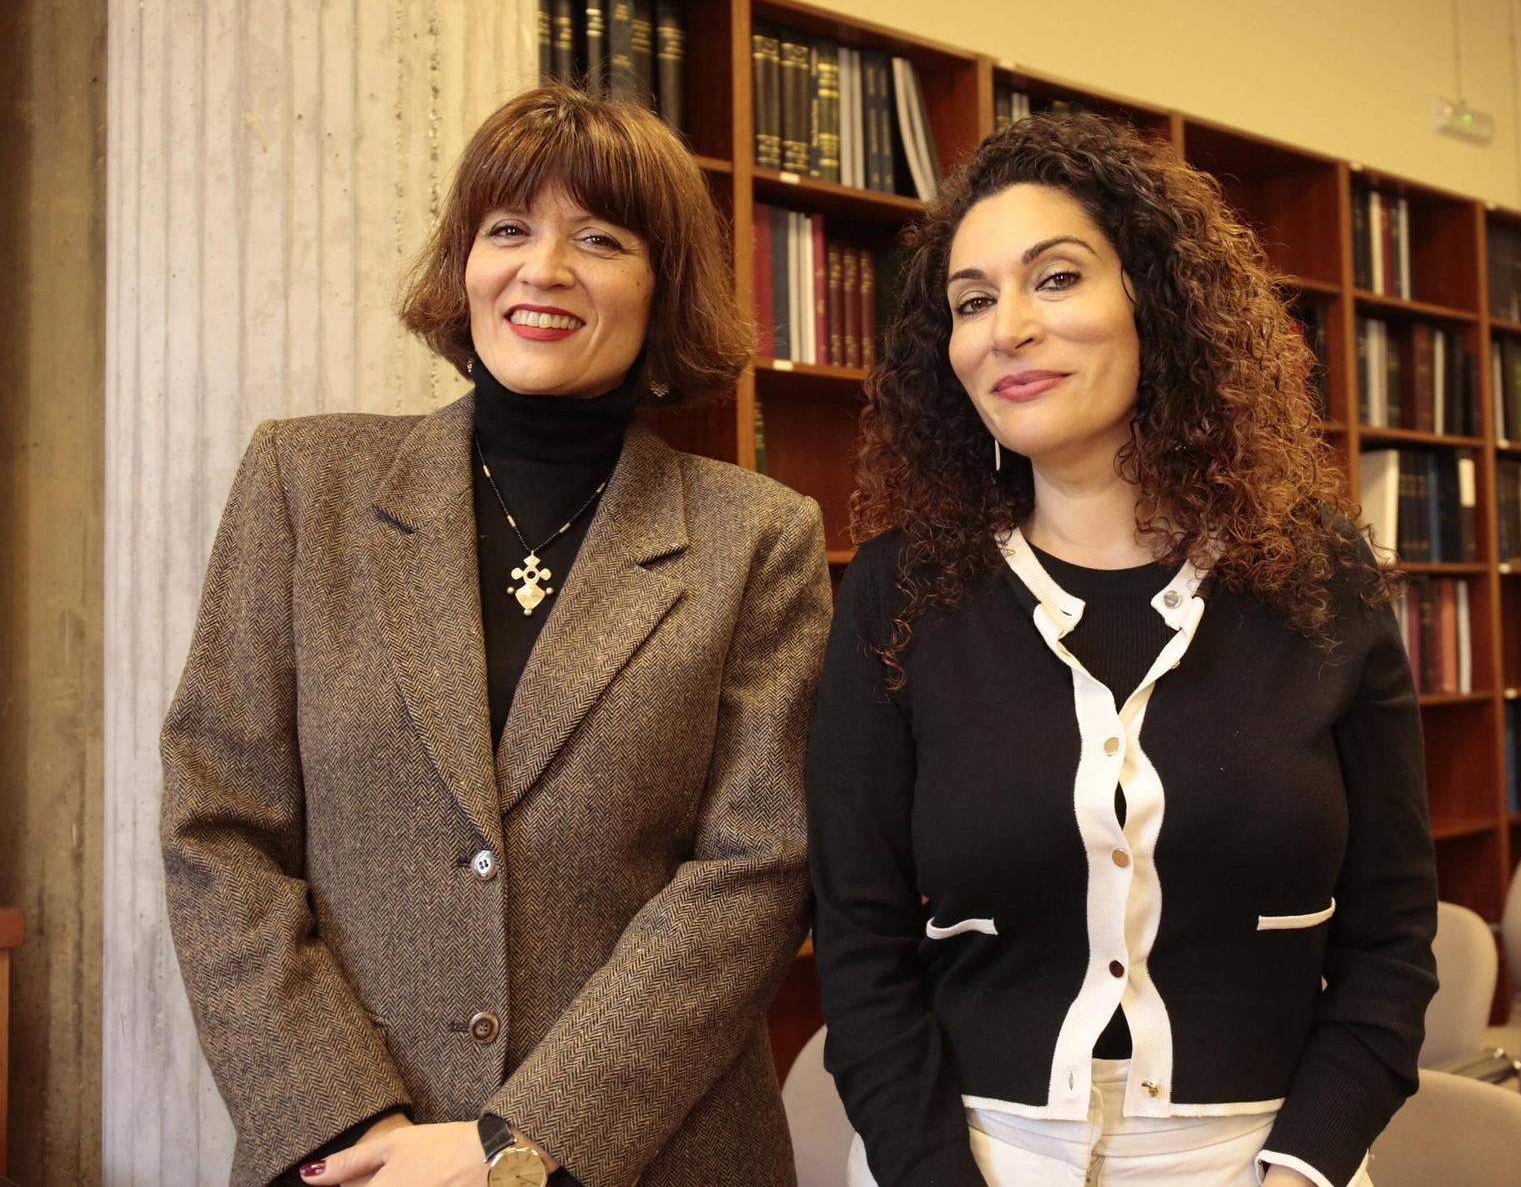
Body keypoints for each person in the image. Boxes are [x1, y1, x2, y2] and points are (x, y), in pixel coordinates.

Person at [159, 85, 830, 1187]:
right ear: (463, 261)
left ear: (662, 285)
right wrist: (344, 1118)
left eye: (600, 238)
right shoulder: (303, 483)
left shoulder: (756, 535)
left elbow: (760, 867)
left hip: (649, 1154)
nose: (543, 268)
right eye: (507, 229)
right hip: (349, 1162)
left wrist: (519, 1146)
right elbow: (215, 824)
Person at [807, 113, 1438, 1187]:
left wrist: (1299, 1171)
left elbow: (1390, 940)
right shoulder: (896, 591)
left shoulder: (1318, 578)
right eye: (970, 301)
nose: (1005, 327)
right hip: (960, 1155)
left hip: (1258, 1156)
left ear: (1156, 300)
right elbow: (859, 951)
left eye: (1053, 279)